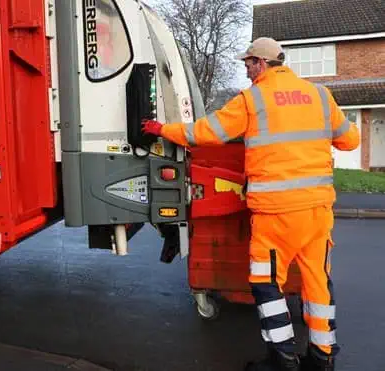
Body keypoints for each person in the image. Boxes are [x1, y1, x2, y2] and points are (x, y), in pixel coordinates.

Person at [141, 37, 360, 371]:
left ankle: (284, 358)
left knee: (266, 284)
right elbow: (350, 140)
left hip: (275, 214)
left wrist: (161, 129)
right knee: (317, 282)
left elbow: (205, 132)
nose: (245, 70)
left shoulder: (253, 99)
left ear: (261, 62)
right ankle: (322, 357)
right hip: (317, 211)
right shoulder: (319, 95)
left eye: (248, 63)